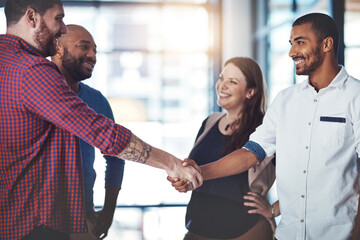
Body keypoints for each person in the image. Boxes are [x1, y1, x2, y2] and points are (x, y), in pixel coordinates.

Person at [0, 1, 202, 240]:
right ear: (32, 17)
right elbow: (103, 134)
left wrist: (107, 210)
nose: (62, 28)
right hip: (34, 224)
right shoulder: (34, 70)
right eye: (58, 19)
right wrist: (172, 164)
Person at [172, 13, 360, 240]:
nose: (292, 53)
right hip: (288, 235)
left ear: (327, 44)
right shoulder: (286, 100)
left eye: (300, 42)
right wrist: (199, 172)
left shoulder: (355, 97)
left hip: (338, 235)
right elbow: (251, 153)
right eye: (291, 44)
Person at [169, 57, 275, 240]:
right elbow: (197, 174)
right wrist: (186, 181)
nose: (222, 85)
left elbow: (301, 179)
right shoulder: (210, 122)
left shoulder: (265, 130)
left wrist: (274, 209)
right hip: (197, 230)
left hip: (244, 231)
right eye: (222, 78)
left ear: (250, 92)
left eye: (232, 81)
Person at [50, 24, 123, 240]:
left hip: (82, 218)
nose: (93, 56)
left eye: (95, 50)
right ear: (58, 49)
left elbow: (115, 157)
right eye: (84, 47)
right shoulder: (32, 92)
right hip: (32, 218)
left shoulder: (97, 100)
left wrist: (109, 211)